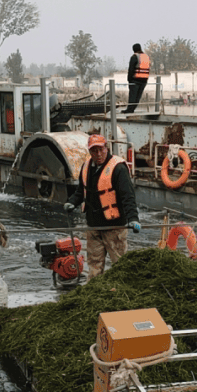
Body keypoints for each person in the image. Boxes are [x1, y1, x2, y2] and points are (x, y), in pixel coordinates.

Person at [65, 134, 140, 279]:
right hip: (93, 226)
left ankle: (122, 293)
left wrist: (133, 219)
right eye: (94, 151)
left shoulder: (118, 168)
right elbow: (81, 191)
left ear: (106, 148)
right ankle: (94, 293)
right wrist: (72, 202)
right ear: (89, 152)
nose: (98, 154)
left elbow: (128, 197)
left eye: (101, 149)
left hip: (114, 227)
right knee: (94, 265)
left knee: (120, 264)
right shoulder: (86, 167)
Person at [124, 43, 150, 113]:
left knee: (132, 96)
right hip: (144, 80)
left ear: (133, 49)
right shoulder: (146, 57)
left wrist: (129, 80)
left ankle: (129, 110)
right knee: (138, 97)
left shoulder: (134, 57)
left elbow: (131, 70)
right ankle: (132, 109)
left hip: (135, 80)